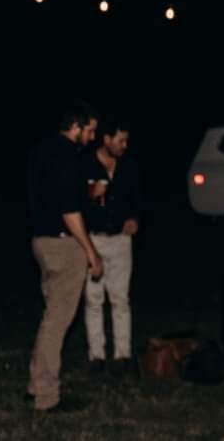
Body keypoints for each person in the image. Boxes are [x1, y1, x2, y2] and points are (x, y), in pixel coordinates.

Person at [25, 101, 102, 413]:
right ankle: (46, 396)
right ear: (77, 126)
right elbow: (69, 212)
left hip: (40, 241)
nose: (93, 137)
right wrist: (91, 252)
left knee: (50, 318)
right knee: (58, 321)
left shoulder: (40, 150)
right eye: (91, 130)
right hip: (62, 244)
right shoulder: (67, 155)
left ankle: (35, 387)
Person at [82, 118, 143, 374]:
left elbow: (139, 199)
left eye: (126, 140)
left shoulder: (128, 167)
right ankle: (96, 355)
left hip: (120, 240)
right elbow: (73, 203)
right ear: (106, 139)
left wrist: (134, 219)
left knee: (120, 298)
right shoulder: (85, 164)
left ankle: (122, 355)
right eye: (120, 140)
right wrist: (90, 197)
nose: (124, 145)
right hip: (93, 239)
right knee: (93, 300)